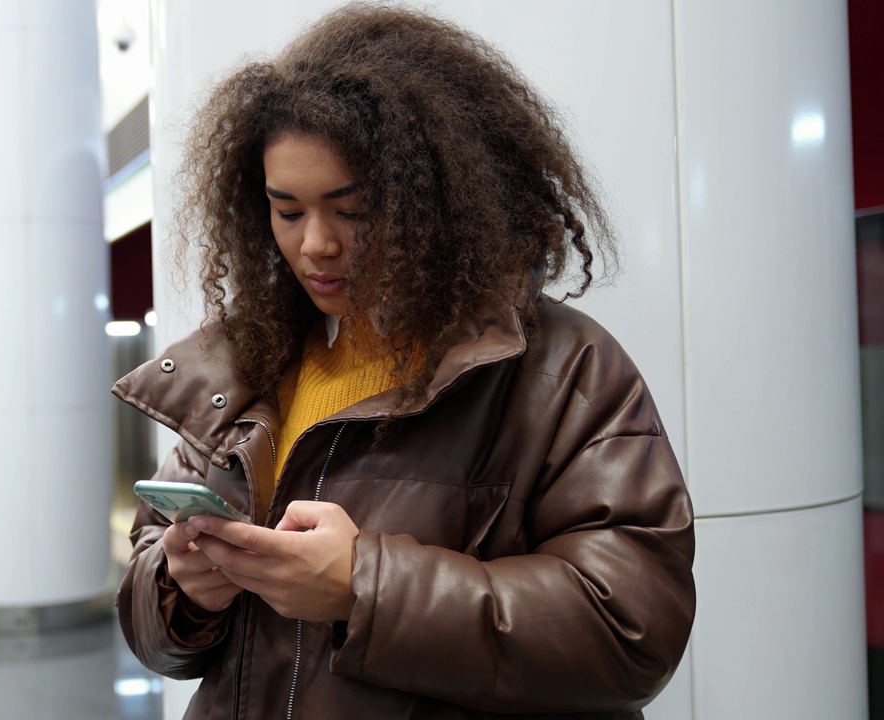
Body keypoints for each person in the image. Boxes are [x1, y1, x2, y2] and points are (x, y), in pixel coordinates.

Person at [111, 4, 695, 718]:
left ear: (434, 199)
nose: (315, 245)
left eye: (350, 210)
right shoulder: (246, 366)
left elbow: (630, 630)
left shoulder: (561, 372)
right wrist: (182, 590)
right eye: (286, 211)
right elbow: (153, 627)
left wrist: (365, 586)